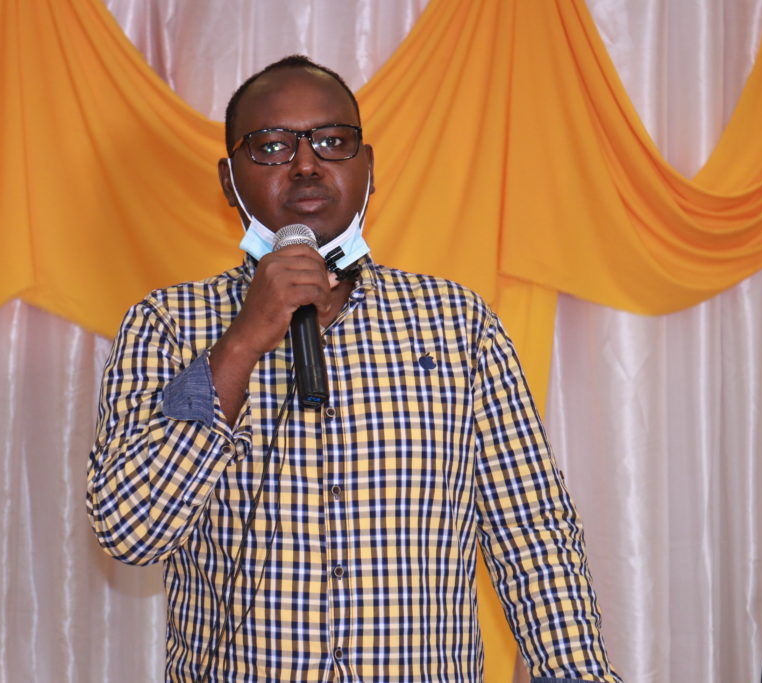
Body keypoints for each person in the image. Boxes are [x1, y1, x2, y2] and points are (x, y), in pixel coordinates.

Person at [87, 55, 620, 682]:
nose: (307, 164)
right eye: (273, 146)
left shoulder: (457, 325)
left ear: (369, 169)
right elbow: (131, 533)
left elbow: (532, 534)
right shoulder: (166, 324)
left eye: (333, 142)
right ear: (229, 181)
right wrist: (239, 345)